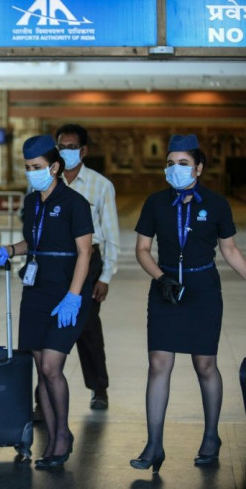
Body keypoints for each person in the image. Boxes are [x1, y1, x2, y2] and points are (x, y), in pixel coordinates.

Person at [131, 134, 246, 473]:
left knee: (205, 366)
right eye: (170, 164)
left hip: (203, 289)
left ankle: (211, 437)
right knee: (158, 364)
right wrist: (160, 278)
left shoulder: (217, 203)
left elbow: (230, 251)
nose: (175, 169)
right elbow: (141, 249)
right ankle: (154, 444)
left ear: (198, 167)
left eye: (182, 163)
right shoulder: (155, 203)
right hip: (166, 288)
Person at [0, 134, 93, 468]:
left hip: (66, 293)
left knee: (52, 366)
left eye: (36, 167)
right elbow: (33, 242)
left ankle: (62, 435)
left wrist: (74, 296)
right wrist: (10, 250)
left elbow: (84, 252)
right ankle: (52, 434)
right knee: (39, 366)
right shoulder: (32, 202)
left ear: (54, 167)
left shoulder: (76, 203)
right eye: (27, 167)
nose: (31, 172)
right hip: (35, 293)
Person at [56, 123, 120, 410]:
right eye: (61, 146)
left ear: (84, 150)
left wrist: (105, 276)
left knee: (87, 328)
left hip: (89, 260)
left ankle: (99, 389)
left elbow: (111, 235)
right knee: (48, 329)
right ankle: (43, 398)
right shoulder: (46, 181)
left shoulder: (101, 185)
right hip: (54, 259)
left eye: (71, 147)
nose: (65, 151)